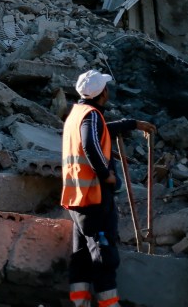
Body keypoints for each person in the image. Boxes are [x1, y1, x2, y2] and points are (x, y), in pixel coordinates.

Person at [61, 69, 156, 307]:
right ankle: (109, 304)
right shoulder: (91, 116)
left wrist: (132, 124)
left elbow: (99, 130)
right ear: (102, 93)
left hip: (77, 198)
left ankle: (79, 303)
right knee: (104, 256)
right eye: (106, 87)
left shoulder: (78, 113)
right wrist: (107, 174)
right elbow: (91, 143)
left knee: (81, 255)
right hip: (94, 196)